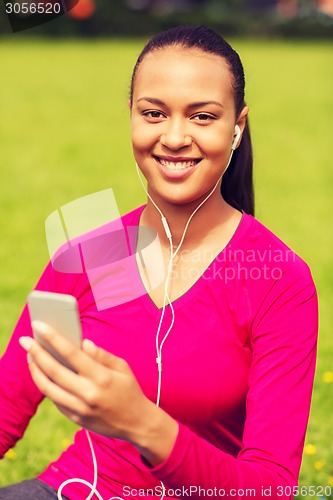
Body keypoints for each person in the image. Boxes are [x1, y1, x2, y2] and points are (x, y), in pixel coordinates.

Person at [0, 25, 318, 500]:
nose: (173, 137)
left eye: (202, 116)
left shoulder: (275, 278)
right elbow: (8, 405)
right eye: (153, 113)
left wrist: (144, 424)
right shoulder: (94, 254)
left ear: (238, 126)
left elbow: (269, 489)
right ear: (130, 117)